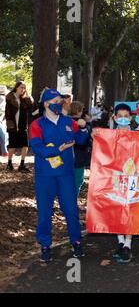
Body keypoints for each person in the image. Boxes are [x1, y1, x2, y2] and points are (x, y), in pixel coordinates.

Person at [29, 89, 89, 262]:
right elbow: (38, 148)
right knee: (45, 212)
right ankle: (45, 245)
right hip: (45, 175)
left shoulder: (68, 122)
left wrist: (86, 129)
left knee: (71, 210)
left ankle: (76, 241)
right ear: (46, 103)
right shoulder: (37, 125)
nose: (60, 103)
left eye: (61, 101)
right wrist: (58, 149)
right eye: (56, 100)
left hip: (66, 174)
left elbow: (81, 140)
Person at [109, 103, 135, 264]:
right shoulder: (109, 135)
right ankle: (120, 241)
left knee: (130, 208)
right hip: (114, 176)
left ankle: (128, 244)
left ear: (130, 118)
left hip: (133, 177)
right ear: (115, 118)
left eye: (126, 116)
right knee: (116, 207)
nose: (123, 119)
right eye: (120, 116)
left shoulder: (138, 135)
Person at [5, 81, 34, 172]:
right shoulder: (10, 97)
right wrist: (9, 124)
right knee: (12, 145)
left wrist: (27, 95)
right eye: (21, 87)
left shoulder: (24, 99)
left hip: (22, 125)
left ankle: (22, 164)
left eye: (24, 88)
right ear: (16, 87)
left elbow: (31, 105)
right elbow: (8, 112)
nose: (23, 89)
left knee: (25, 145)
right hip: (12, 124)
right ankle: (9, 163)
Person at [69, 101, 93, 200]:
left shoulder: (64, 121)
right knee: (78, 181)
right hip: (79, 157)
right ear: (79, 111)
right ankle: (71, 201)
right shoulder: (82, 124)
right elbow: (84, 140)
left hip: (67, 157)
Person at [0, 85, 8, 156]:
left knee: (4, 135)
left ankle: (4, 151)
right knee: (3, 135)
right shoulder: (2, 99)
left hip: (2, 121)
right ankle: (4, 151)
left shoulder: (5, 100)